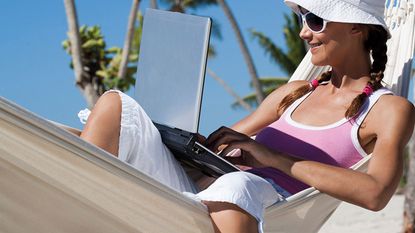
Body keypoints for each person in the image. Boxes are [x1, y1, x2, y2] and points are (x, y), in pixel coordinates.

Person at [77, 0, 415, 232]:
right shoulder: (293, 93)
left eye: (315, 20)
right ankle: (69, 206)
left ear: (357, 27)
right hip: (195, 194)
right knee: (114, 106)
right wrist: (188, 145)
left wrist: (271, 157)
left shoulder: (388, 109)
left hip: (265, 210)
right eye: (302, 19)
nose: (303, 32)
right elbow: (215, 147)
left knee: (238, 185)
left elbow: (375, 193)